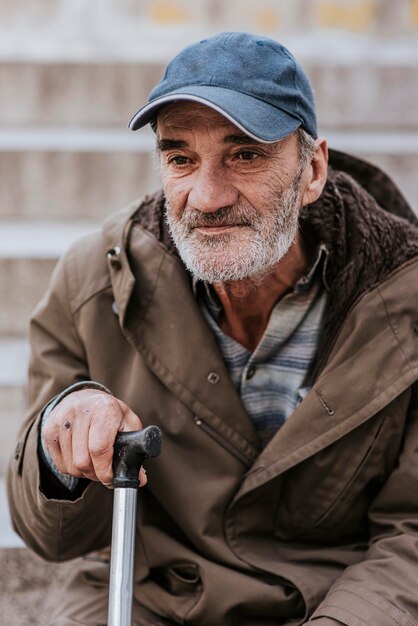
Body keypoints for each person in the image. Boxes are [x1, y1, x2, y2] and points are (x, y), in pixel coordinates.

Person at [7, 31, 418, 626]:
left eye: (245, 154)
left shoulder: (402, 293)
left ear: (312, 171)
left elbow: (410, 533)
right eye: (180, 158)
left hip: (340, 604)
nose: (206, 195)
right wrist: (58, 446)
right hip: (153, 598)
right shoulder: (92, 281)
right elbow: (51, 538)